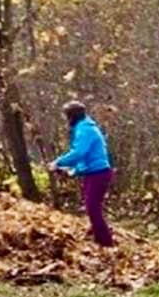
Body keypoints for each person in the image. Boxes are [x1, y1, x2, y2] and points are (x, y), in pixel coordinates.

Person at [48, 100, 115, 247]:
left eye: (67, 116)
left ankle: (106, 242)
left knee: (93, 207)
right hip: (93, 173)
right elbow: (86, 158)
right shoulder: (83, 127)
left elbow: (79, 153)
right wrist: (73, 171)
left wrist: (58, 162)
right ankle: (97, 235)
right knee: (90, 206)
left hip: (99, 173)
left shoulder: (85, 130)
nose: (66, 120)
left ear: (72, 116)